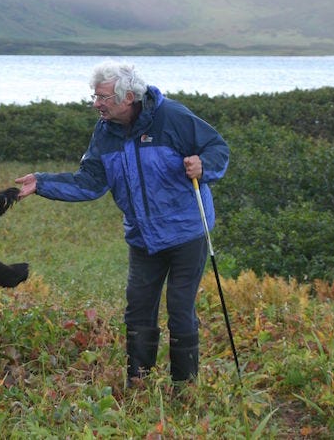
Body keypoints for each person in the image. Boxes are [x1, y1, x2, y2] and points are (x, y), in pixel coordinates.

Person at [15, 60, 229, 385]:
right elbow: (90, 182)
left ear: (127, 97)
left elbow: (217, 148)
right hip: (143, 238)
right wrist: (42, 183)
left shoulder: (172, 117)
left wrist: (204, 165)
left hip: (187, 232)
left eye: (102, 97)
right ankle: (138, 383)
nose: (95, 104)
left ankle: (184, 388)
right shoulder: (105, 131)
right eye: (94, 96)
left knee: (180, 307)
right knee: (138, 310)